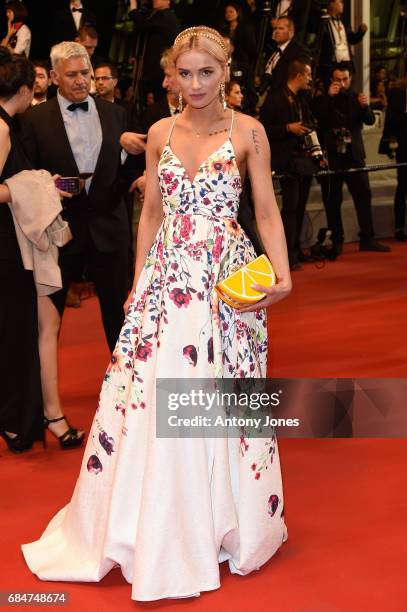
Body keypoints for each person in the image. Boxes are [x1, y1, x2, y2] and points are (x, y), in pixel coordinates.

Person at [22, 26, 291, 601]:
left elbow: (265, 210)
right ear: (172, 73)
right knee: (154, 393)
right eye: (185, 73)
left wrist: (283, 270)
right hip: (167, 281)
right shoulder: (162, 131)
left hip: (223, 278)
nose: (194, 85)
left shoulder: (249, 132)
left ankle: (225, 518)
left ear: (226, 74)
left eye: (207, 73)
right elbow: (149, 214)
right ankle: (153, 524)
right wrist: (140, 278)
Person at [17, 41, 142, 448]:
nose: (81, 81)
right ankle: (43, 405)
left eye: (85, 74)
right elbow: (27, 175)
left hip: (108, 226)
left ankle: (131, 392)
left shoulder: (115, 113)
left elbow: (131, 169)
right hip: (58, 232)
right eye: (71, 74)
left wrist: (124, 166)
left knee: (117, 313)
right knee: (47, 322)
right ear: (53, 77)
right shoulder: (34, 120)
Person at [0, 47, 42, 452]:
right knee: (15, 331)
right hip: (4, 248)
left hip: (9, 242)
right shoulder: (1, 127)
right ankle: (15, 421)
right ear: (25, 89)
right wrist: (21, 188)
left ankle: (16, 419)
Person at [313, 65, 391, 255]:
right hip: (333, 156)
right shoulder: (323, 99)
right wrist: (328, 97)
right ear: (331, 80)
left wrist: (366, 107)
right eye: (337, 79)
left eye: (345, 79)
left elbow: (370, 121)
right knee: (332, 200)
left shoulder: (357, 98)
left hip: (354, 155)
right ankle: (336, 240)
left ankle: (368, 238)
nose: (341, 83)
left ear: (350, 79)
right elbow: (318, 117)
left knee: (363, 196)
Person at [260, 60, 323, 269]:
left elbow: (310, 124)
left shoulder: (300, 99)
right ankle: (287, 255)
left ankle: (296, 249)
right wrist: (288, 128)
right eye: (308, 75)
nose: (310, 79)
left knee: (299, 207)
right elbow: (264, 129)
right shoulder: (276, 98)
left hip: (302, 161)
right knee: (290, 209)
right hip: (286, 162)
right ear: (298, 76)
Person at [128, 0, 181, 106]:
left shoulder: (166, 16)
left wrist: (133, 7)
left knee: (159, 102)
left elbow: (143, 24)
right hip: (152, 70)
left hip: (159, 71)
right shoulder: (157, 15)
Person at [379, 76, 407, 241]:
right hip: (404, 148)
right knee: (402, 186)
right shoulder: (397, 94)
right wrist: (389, 142)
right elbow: (391, 120)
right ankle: (399, 228)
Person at [317, 0, 367, 85]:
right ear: (331, 3)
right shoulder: (323, 22)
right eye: (340, 1)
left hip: (347, 64)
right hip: (332, 65)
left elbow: (352, 39)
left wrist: (361, 32)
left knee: (348, 91)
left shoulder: (344, 22)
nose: (343, 4)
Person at [259, 16, 311, 98]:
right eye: (275, 28)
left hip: (282, 99)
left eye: (281, 28)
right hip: (266, 95)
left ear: (291, 32)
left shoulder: (300, 52)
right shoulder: (273, 49)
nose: (276, 31)